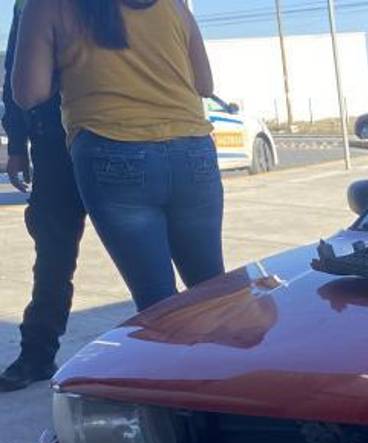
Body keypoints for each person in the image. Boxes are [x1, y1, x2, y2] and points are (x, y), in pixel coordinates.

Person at [12, 0, 224, 314]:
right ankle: (232, 363)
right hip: (192, 151)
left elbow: (29, 94)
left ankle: (175, 361)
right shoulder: (173, 4)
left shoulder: (46, 6)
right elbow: (205, 85)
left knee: (158, 306)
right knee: (215, 293)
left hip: (113, 153)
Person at [1, 0, 88, 392]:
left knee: (147, 249)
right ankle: (36, 354)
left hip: (112, 135)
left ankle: (180, 355)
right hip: (54, 145)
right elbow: (15, 72)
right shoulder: (29, 4)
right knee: (53, 254)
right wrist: (17, 143)